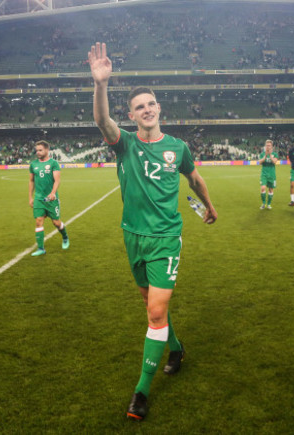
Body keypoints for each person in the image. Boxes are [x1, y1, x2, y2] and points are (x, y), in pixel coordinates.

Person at [88, 42, 217, 421]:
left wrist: (209, 205)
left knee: (156, 311)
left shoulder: (177, 147)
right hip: (133, 236)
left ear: (159, 108)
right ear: (132, 114)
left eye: (151, 103)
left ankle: (141, 393)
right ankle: (175, 348)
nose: (146, 109)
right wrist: (101, 85)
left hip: (166, 238)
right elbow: (101, 122)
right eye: (139, 106)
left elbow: (194, 178)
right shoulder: (124, 144)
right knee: (152, 307)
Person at [28, 140, 69, 256]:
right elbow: (31, 181)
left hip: (51, 199)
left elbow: (57, 180)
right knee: (38, 221)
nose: (38, 152)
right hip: (39, 199)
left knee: (56, 222)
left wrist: (53, 193)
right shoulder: (33, 165)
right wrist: (30, 197)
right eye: (37, 150)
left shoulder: (53, 163)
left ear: (47, 150)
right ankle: (41, 248)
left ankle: (65, 237)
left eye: (40, 150)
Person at [259, 139, 279, 209]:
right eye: (267, 145)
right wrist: (265, 156)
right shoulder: (262, 154)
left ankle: (269, 204)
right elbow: (260, 162)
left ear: (272, 146)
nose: (268, 147)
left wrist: (270, 155)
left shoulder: (275, 154)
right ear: (265, 146)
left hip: (272, 174)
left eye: (269, 145)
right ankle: (263, 203)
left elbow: (274, 162)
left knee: (271, 189)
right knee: (263, 188)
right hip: (264, 174)